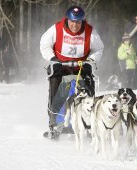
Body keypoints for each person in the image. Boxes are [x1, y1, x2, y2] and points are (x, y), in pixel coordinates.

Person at [40, 6, 104, 139]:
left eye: (78, 22)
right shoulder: (56, 29)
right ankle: (55, 124)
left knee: (87, 90)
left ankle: (88, 123)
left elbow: (98, 49)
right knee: (56, 89)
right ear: (67, 20)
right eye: (72, 21)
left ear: (82, 21)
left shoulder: (90, 32)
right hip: (60, 66)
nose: (75, 25)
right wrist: (53, 59)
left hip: (81, 66)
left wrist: (90, 61)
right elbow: (44, 44)